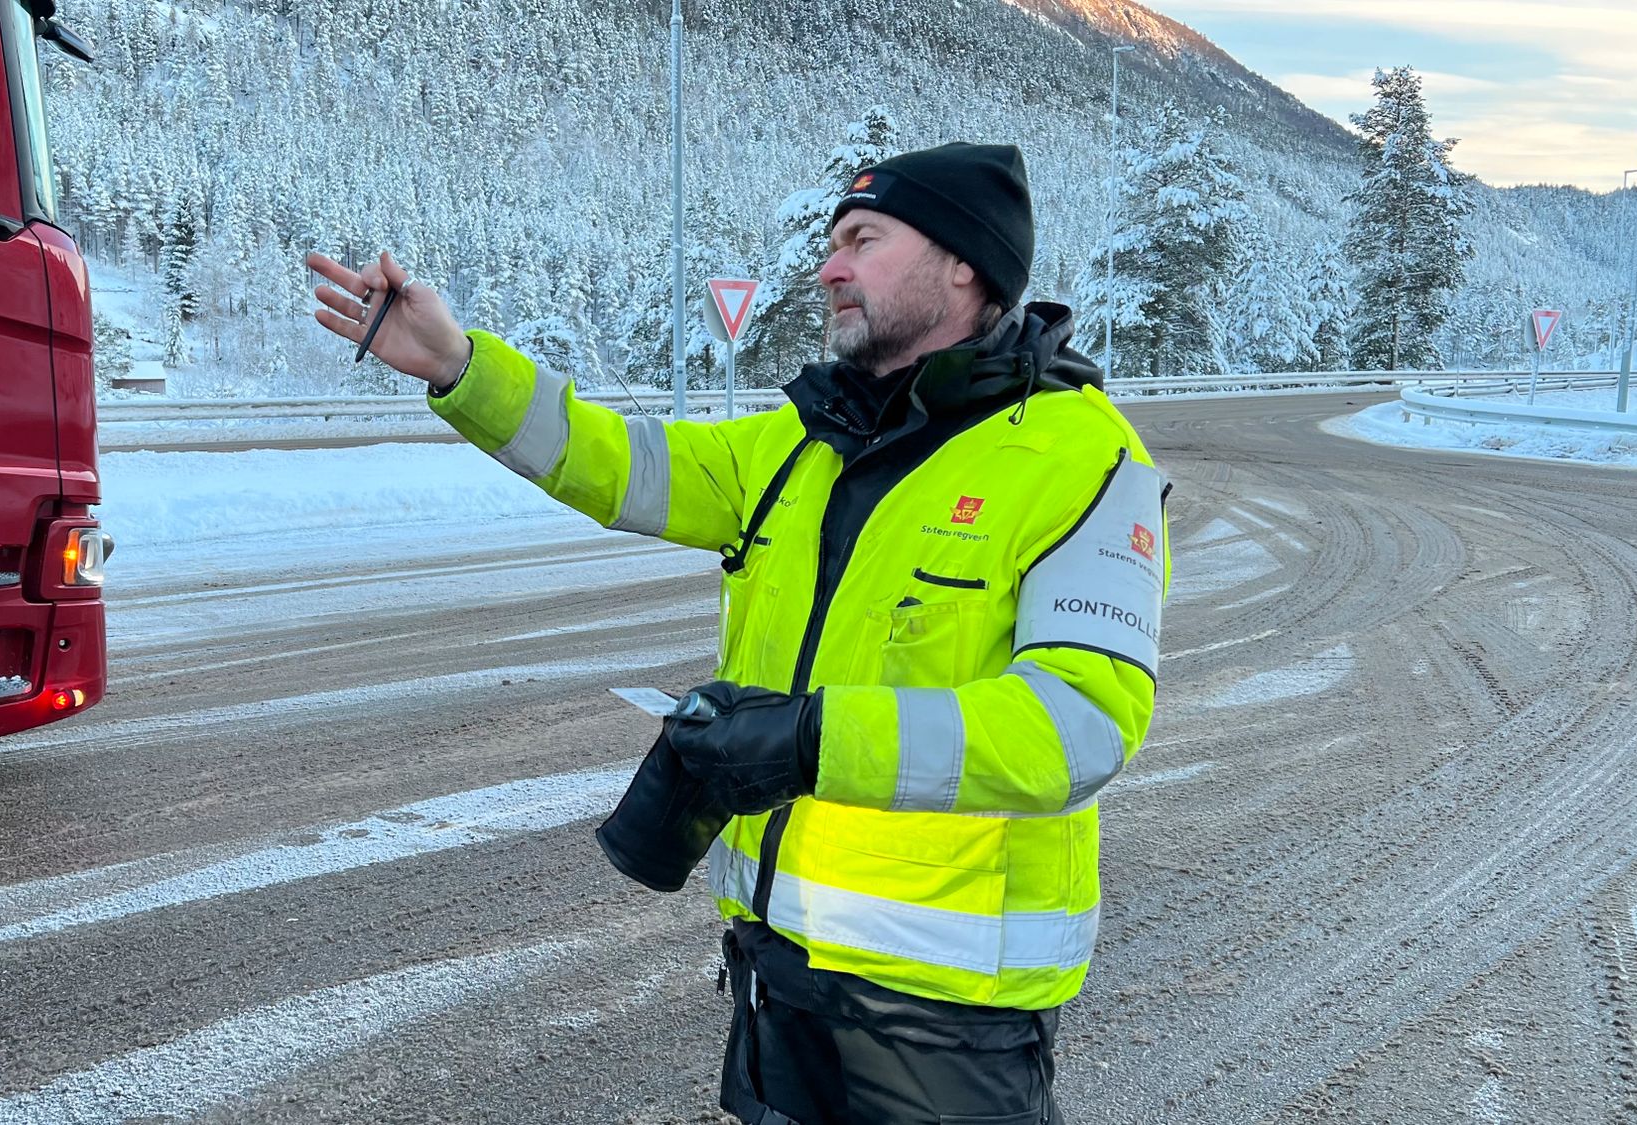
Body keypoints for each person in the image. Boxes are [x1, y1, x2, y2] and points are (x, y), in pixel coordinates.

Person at [307, 142, 1170, 1125]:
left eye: (862, 240)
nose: (828, 266)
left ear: (963, 263)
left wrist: (804, 741)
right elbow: (615, 462)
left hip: (947, 1017)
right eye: (831, 241)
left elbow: (1072, 730)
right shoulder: (801, 440)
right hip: (776, 974)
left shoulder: (1085, 462)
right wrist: (459, 366)